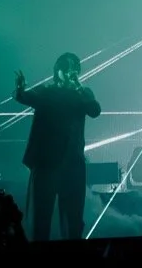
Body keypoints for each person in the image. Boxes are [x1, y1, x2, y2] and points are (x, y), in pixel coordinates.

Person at [11, 53, 101, 242]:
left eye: (75, 67)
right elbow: (25, 97)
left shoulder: (83, 93)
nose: (71, 71)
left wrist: (78, 86)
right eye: (66, 67)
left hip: (73, 163)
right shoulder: (47, 91)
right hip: (46, 163)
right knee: (40, 217)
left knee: (73, 219)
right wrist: (20, 89)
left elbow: (94, 110)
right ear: (57, 70)